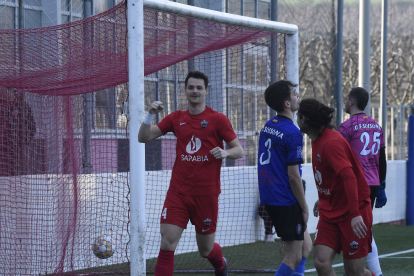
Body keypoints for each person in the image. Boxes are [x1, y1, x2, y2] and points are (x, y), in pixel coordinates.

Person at [138, 71, 244, 276]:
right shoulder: (176, 118)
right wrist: (150, 114)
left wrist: (225, 152)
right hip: (178, 192)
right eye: (191, 87)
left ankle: (220, 264)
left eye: (199, 88)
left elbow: (239, 150)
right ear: (185, 90)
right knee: (167, 241)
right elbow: (144, 137)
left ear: (206, 91)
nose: (195, 91)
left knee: (205, 250)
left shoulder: (218, 119)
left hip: (206, 194)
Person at [297, 98, 375, 276]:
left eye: (298, 115)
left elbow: (349, 177)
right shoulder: (316, 139)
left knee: (354, 272)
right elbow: (333, 176)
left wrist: (355, 214)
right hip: (330, 212)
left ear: (304, 119)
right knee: (321, 263)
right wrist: (324, 197)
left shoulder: (331, 143)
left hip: (353, 211)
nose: (296, 118)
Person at [257, 80, 312, 276]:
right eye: (295, 93)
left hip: (270, 195)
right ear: (287, 103)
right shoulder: (293, 134)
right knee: (293, 256)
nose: (298, 96)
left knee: (306, 248)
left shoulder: (268, 126)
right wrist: (304, 207)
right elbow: (294, 177)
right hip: (285, 199)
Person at [338, 87, 387, 276]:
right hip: (374, 184)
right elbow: (382, 158)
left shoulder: (347, 127)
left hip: (356, 184)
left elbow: (338, 155)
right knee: (364, 229)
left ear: (351, 102)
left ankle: (358, 271)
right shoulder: (376, 125)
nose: (344, 100)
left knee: (358, 230)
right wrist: (382, 185)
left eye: (346, 98)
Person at [0, 87, 36, 176]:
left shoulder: (23, 106)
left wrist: (21, 143)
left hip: (16, 153)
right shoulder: (2, 105)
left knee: (16, 177)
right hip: (2, 151)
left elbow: (32, 128)